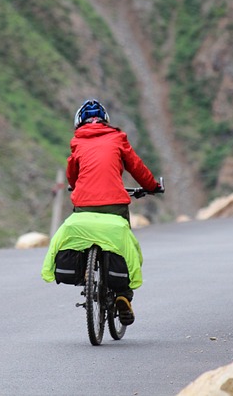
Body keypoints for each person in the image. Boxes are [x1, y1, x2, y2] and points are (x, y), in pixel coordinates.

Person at [66, 99, 161, 325]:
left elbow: (73, 175)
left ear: (78, 123)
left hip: (84, 204)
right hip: (115, 204)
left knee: (83, 233)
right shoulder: (118, 138)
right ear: (106, 121)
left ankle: (87, 274)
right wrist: (151, 186)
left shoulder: (77, 142)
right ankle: (122, 295)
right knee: (121, 244)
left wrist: (78, 186)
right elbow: (136, 167)